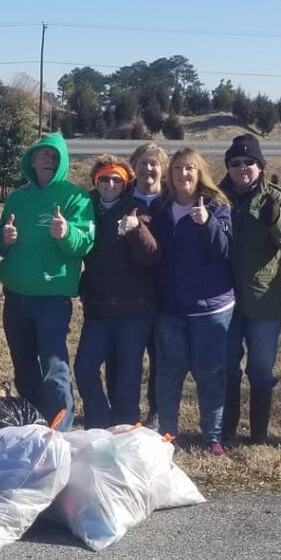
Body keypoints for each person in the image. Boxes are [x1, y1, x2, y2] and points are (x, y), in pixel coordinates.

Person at [0, 132, 95, 430]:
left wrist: (66, 233)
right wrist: (5, 237)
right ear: (32, 161)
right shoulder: (18, 198)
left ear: (62, 162)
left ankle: (59, 429)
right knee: (23, 365)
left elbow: (85, 243)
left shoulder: (76, 197)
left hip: (52, 298)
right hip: (16, 296)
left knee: (54, 367)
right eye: (43, 155)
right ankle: (33, 422)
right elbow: (0, 243)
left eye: (54, 156)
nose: (48, 161)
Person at [219, 134, 281, 444]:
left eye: (249, 162)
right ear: (228, 167)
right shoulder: (215, 197)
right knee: (227, 368)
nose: (242, 167)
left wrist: (277, 219)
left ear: (260, 165)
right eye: (235, 163)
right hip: (223, 300)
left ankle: (258, 434)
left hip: (264, 301)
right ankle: (227, 431)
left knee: (261, 369)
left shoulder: (277, 198)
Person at [151, 148, 234, 454]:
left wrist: (207, 222)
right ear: (169, 175)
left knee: (210, 375)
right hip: (171, 309)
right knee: (168, 375)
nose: (183, 174)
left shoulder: (217, 206)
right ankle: (168, 435)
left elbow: (225, 251)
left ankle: (212, 436)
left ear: (199, 173)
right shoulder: (161, 209)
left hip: (210, 309)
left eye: (190, 169)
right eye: (177, 169)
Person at [74, 155, 158, 429]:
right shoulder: (85, 208)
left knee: (127, 375)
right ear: (95, 181)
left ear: (125, 183)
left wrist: (136, 231)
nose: (110, 184)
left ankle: (124, 427)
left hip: (133, 310)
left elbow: (151, 257)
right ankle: (99, 422)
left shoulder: (136, 210)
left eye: (116, 179)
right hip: (98, 308)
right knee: (85, 369)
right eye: (104, 179)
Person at [129, 141, 171, 428]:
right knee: (127, 361)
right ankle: (124, 412)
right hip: (128, 295)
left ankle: (156, 413)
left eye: (154, 163)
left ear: (163, 170)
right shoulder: (121, 198)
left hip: (164, 295)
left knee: (161, 360)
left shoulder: (171, 202)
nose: (148, 168)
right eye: (143, 162)